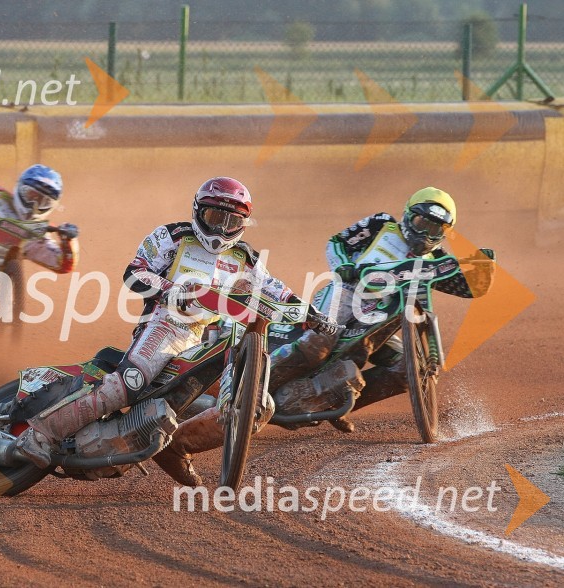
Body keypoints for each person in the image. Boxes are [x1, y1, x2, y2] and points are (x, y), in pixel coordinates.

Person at [153, 186, 496, 486]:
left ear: (445, 232)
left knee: (407, 371)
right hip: (345, 298)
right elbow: (337, 243)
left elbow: (468, 287)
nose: (425, 232)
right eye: (421, 222)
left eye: (435, 227)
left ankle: (333, 404)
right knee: (318, 345)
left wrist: (483, 269)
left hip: (382, 324)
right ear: (408, 215)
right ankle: (251, 388)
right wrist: (343, 265)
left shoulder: (436, 260)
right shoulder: (381, 224)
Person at [16, 177, 336, 470]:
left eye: (232, 221)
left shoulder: (246, 258)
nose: (221, 229)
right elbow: (135, 272)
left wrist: (312, 314)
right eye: (215, 217)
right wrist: (171, 290)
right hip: (165, 325)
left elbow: (276, 290)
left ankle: (176, 448)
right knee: (129, 384)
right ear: (198, 211)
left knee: (256, 405)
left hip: (208, 339)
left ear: (243, 224)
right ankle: (41, 434)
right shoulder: (172, 236)